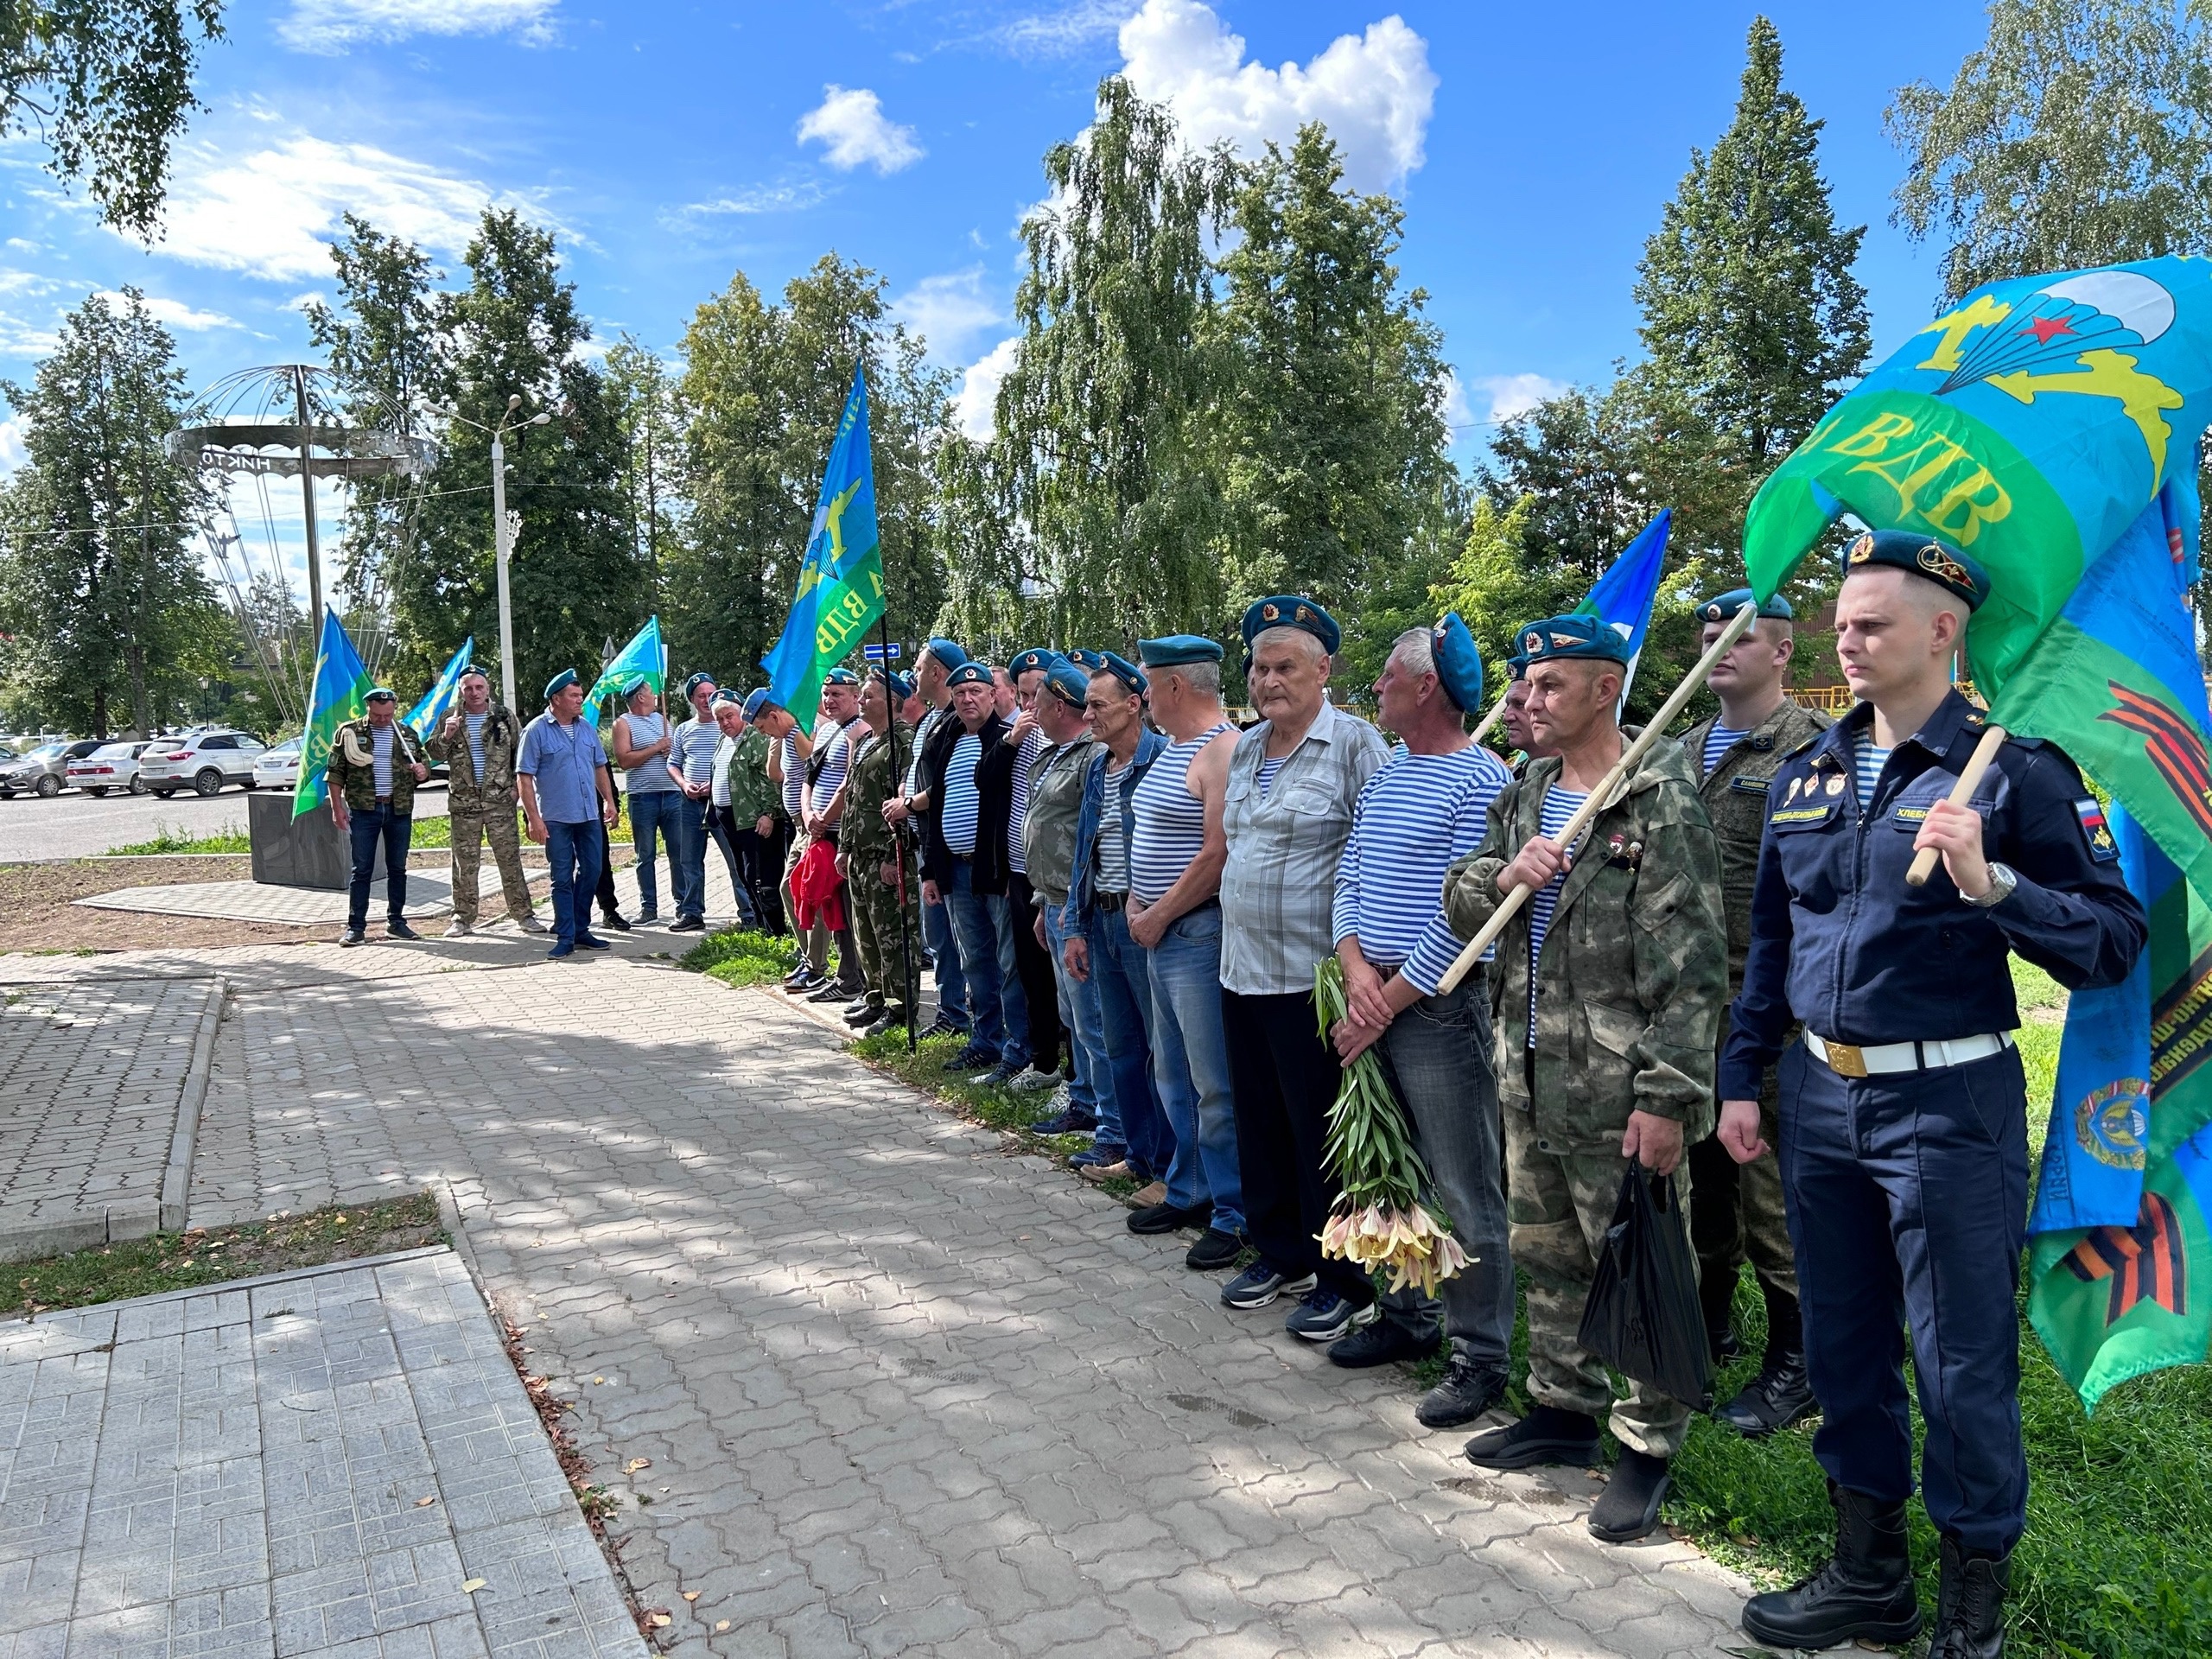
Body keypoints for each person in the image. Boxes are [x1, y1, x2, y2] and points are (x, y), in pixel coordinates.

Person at [1726, 532, 2145, 1656]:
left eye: (1870, 624)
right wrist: (1741, 1078)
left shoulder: (2015, 772)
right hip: (1819, 1104)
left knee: (1960, 1362)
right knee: (1847, 1350)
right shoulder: (1810, 771)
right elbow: (1774, 940)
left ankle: (1972, 1605)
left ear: (1944, 630)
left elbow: (2111, 941)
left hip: (1948, 1113)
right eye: (1841, 624)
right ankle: (1869, 1575)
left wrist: (1994, 880)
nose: (1844, 642)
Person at [1443, 612, 1726, 1546]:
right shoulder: (1525, 789)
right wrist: (1500, 876)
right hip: (1526, 1070)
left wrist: (1666, 1098)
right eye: (1524, 687)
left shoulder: (1656, 801)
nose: (1527, 701)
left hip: (1617, 1088)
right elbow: (1462, 889)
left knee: (1637, 1262)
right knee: (1548, 1252)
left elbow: (1691, 970)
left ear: (1606, 689)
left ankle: (1646, 1446)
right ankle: (1561, 1410)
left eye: (1548, 685)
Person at [1328, 616, 1518, 1421]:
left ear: (1426, 686)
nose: (1376, 688)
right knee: (1391, 1172)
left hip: (1438, 1013)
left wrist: (1386, 999)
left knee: (1464, 1186)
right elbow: (1350, 874)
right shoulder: (1389, 774)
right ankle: (1408, 1314)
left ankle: (1482, 1355)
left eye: (1387, 677)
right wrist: (1354, 970)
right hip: (1373, 999)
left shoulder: (1483, 780)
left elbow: (1467, 916)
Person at [1217, 596, 1400, 1323]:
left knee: (1321, 1131)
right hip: (1240, 968)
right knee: (1259, 1120)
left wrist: (1372, 976)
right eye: (1259, 668)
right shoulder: (1246, 748)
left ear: (1324, 670)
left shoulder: (1355, 746)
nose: (1268, 680)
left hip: (1315, 978)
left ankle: (1344, 1279)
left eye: (1284, 666)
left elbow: (1378, 862)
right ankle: (1281, 1253)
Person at [1675, 589, 1830, 1437]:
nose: (1715, 648)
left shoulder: (1816, 750)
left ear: (1779, 653)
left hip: (1768, 1014)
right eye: (1706, 635)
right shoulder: (1678, 750)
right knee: (1704, 1186)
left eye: (1737, 637)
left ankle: (1797, 1361)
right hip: (1687, 1013)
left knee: (1771, 1197)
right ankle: (1709, 1324)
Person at [1123, 634, 1243, 1263]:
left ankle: (1233, 1208)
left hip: (1195, 933)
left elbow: (1217, 854)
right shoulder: (1174, 748)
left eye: (1146, 682)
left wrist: (1160, 912)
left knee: (1213, 1083)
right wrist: (1134, 903)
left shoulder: (1223, 749)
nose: (1141, 695)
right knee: (1173, 1073)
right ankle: (1190, 1184)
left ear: (1176, 685)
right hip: (1159, 933)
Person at [1063, 654, 1176, 1198]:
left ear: (1136, 705)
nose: (1089, 716)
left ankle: (1175, 1168)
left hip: (1145, 924)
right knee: (1121, 1046)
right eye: (1086, 705)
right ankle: (1139, 1155)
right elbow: (1085, 850)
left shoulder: (1164, 761)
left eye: (1098, 705)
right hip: (1101, 919)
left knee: (1163, 1049)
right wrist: (1074, 924)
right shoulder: (1097, 767)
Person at [918, 660, 1033, 1084]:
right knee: (975, 961)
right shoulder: (948, 739)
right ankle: (986, 1040)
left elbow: (1004, 793)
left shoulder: (1010, 738)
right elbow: (937, 808)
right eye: (960, 694)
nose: (968, 700)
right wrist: (931, 870)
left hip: (995, 871)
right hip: (955, 870)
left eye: (976, 692)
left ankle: (1018, 1046)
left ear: (993, 695)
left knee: (1009, 961)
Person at [1020, 657, 1110, 1146]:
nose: (1030, 707)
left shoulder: (1091, 755)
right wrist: (1040, 903)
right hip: (1053, 902)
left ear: (1058, 706)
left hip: (1081, 907)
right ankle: (1084, 1100)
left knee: (1091, 1016)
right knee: (1073, 1014)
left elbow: (1087, 840)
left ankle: (1101, 1112)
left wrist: (1065, 907)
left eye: (1037, 699)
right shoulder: (1053, 755)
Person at [885, 639, 970, 1040]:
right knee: (937, 936)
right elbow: (921, 773)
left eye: (919, 667)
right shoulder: (932, 719)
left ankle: (957, 1013)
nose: (914, 674)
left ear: (937, 672)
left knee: (955, 938)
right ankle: (950, 1009)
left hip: (944, 846)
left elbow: (947, 784)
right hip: (926, 845)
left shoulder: (956, 719)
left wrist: (910, 804)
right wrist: (905, 791)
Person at [1001, 647, 1070, 1100]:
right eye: (1023, 695)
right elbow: (984, 782)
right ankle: (1044, 1058)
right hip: (1021, 868)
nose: (1029, 706)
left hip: (1060, 878)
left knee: (1067, 979)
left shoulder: (1072, 738)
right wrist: (1011, 741)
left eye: (1037, 696)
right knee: (1031, 970)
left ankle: (1074, 1071)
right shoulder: (1016, 733)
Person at [429, 665, 543, 938]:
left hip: (499, 803)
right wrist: (447, 734)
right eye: (468, 688)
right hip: (464, 805)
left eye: (479, 687)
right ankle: (462, 918)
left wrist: (516, 791)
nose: (474, 692)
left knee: (509, 860)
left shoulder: (503, 717)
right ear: (461, 691)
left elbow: (520, 755)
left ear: (488, 689)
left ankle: (524, 915)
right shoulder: (450, 717)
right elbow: (433, 752)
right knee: (465, 864)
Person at [837, 669, 921, 1035]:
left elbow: (902, 801)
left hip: (885, 855)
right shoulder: (869, 741)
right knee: (866, 933)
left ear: (891, 702)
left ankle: (901, 1006)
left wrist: (894, 853)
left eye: (868, 696)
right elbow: (853, 800)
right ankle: (875, 996)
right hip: (860, 854)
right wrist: (844, 847)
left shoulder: (903, 741)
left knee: (894, 935)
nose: (861, 701)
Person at [518, 669, 620, 958]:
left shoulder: (586, 727)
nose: (580, 700)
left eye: (580, 695)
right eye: (574, 696)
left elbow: (600, 766)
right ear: (556, 699)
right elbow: (524, 777)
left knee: (593, 871)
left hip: (589, 814)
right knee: (562, 877)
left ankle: (579, 929)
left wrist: (609, 802)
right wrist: (533, 818)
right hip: (556, 818)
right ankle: (566, 934)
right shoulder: (535, 731)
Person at [326, 686, 432, 946]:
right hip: (365, 810)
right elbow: (335, 772)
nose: (383, 720)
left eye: (388, 715)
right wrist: (337, 808)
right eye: (377, 716)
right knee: (362, 869)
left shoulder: (406, 733)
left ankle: (396, 922)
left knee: (398, 868)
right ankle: (356, 927)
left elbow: (424, 765)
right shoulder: (350, 732)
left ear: (394, 708)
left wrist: (422, 772)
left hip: (399, 809)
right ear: (368, 709)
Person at [804, 667, 867, 1006]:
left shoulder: (860, 731)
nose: (830, 700)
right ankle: (845, 977)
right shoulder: (828, 731)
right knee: (830, 907)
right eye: (826, 695)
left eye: (838, 695)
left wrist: (824, 818)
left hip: (841, 831)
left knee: (847, 908)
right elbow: (808, 777)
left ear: (855, 697)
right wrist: (808, 814)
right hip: (820, 829)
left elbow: (849, 782)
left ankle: (853, 978)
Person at [760, 692, 829, 989]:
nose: (764, 734)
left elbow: (810, 758)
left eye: (763, 728)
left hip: (811, 825)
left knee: (809, 892)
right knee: (788, 888)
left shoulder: (808, 726)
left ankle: (817, 964)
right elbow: (775, 774)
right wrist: (776, 742)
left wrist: (789, 729)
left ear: (775, 717)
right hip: (798, 826)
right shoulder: (784, 736)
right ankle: (808, 957)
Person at [612, 677, 682, 925]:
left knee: (678, 852)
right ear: (640, 697)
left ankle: (683, 905)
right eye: (651, 692)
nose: (655, 696)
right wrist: (656, 747)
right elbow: (624, 760)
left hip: (672, 794)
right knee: (646, 854)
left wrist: (670, 748)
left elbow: (675, 750)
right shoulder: (623, 723)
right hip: (643, 797)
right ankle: (648, 907)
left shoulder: (661, 720)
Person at [664, 671, 721, 931]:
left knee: (735, 860)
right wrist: (684, 784)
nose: (707, 700)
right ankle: (691, 912)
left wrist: (716, 784)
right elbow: (673, 763)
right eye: (701, 696)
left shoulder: (727, 724)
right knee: (688, 860)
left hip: (721, 803)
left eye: (711, 695)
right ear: (692, 699)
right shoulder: (683, 729)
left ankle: (748, 912)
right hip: (689, 804)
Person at [702, 690, 761, 930]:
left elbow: (766, 778)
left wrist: (766, 813)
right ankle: (755, 921)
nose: (725, 722)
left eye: (730, 716)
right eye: (720, 719)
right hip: (725, 816)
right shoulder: (723, 740)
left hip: (748, 816)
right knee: (741, 871)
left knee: (753, 872)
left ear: (741, 714)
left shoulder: (754, 737)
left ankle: (764, 923)